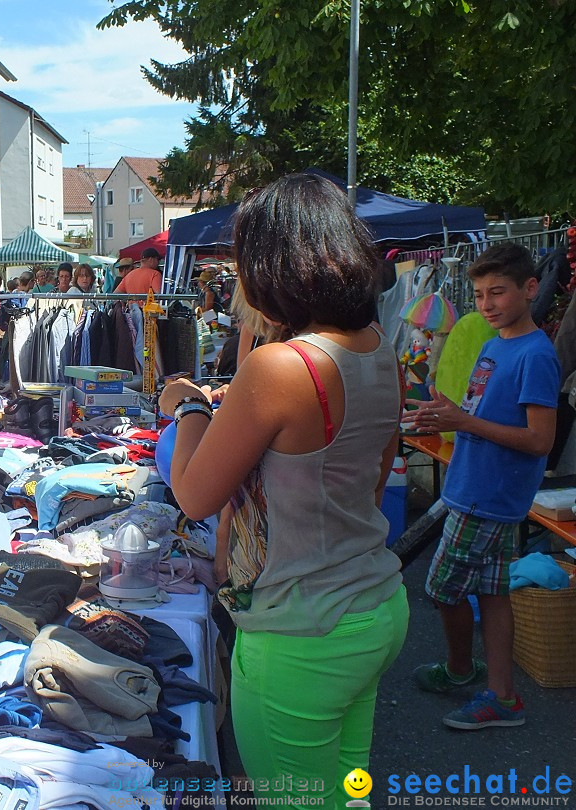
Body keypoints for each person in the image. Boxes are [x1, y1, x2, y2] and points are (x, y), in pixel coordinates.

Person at [157, 174, 407, 806]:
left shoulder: (283, 366)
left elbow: (192, 495)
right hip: (373, 605)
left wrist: (187, 409)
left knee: (292, 798)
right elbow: (374, 477)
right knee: (346, 787)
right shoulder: (380, 349)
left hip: (302, 631)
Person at [405, 244, 559, 730]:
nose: (487, 304)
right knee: (492, 594)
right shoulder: (494, 345)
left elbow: (540, 441)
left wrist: (462, 422)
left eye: (498, 292)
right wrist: (444, 414)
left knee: (442, 588)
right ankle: (503, 696)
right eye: (478, 295)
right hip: (474, 485)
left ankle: (459, 669)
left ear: (530, 289)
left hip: (490, 497)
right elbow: (476, 414)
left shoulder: (536, 354)